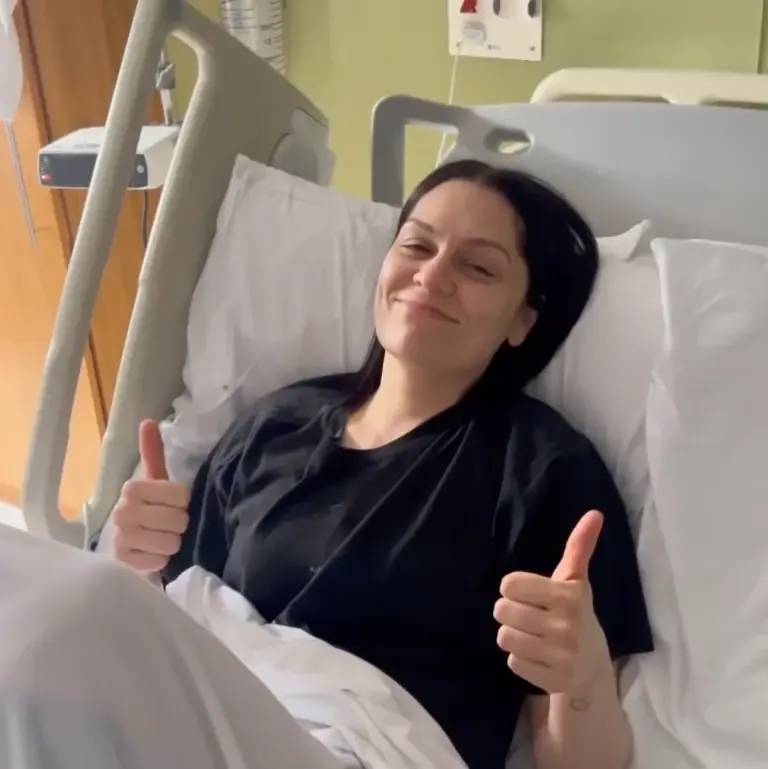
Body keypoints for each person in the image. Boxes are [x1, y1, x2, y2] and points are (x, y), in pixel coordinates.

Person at [111, 159, 654, 769]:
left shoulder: (542, 471)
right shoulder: (276, 423)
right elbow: (184, 623)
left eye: (477, 266)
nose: (432, 275)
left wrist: (581, 679)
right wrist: (138, 562)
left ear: (522, 320)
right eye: (417, 246)